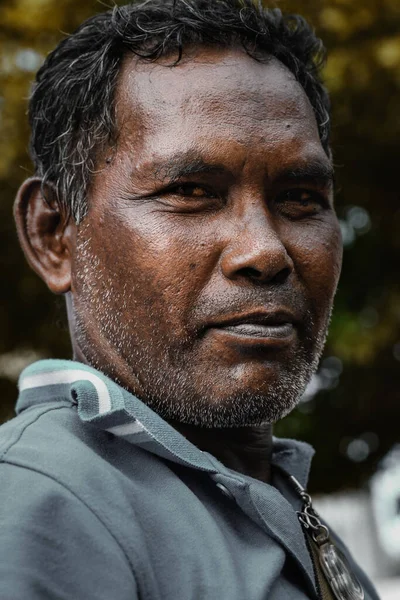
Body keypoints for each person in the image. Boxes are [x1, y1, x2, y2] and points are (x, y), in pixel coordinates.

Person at [1, 0, 379, 598]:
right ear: (54, 236)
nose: (265, 250)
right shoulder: (42, 505)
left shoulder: (276, 498)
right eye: (191, 191)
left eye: (301, 197)